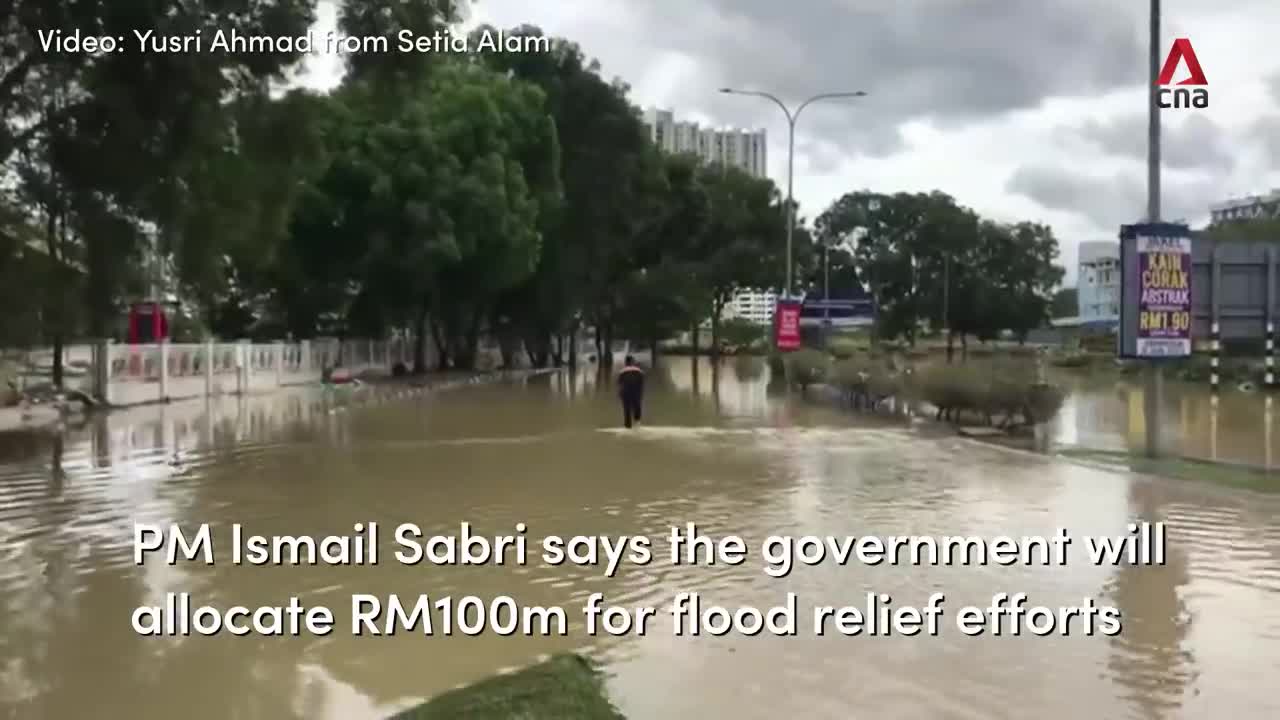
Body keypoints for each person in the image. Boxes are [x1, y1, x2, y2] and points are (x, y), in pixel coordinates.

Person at [617, 355, 645, 428]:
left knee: (627, 410)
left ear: (625, 362)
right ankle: (637, 424)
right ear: (633, 362)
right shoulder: (639, 371)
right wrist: (640, 394)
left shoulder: (622, 372)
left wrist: (620, 394)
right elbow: (641, 383)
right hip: (636, 392)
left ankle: (628, 426)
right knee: (637, 407)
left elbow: (620, 383)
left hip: (625, 393)